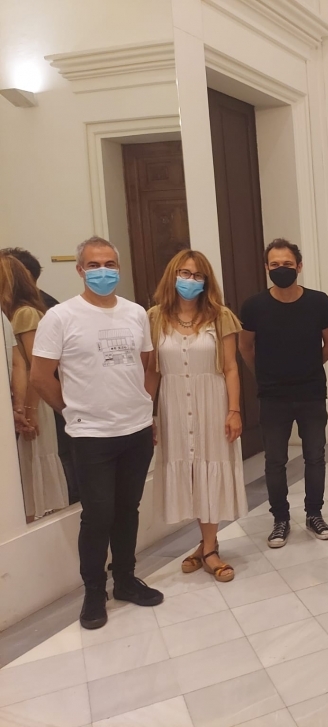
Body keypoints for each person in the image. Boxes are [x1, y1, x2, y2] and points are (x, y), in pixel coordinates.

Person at [31, 236, 163, 630]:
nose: (102, 271)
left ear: (118, 268)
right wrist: (72, 410)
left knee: (127, 509)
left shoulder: (135, 313)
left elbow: (148, 365)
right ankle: (94, 592)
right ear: (80, 270)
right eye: (94, 265)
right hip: (91, 436)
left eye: (109, 264)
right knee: (98, 515)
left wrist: (146, 404)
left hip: (136, 430)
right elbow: (40, 376)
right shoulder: (60, 317)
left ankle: (125, 579)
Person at [145, 251, 247, 582]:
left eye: (197, 275)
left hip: (213, 404)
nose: (190, 280)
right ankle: (206, 544)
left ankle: (210, 549)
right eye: (184, 273)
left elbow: (231, 368)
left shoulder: (221, 316)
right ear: (172, 276)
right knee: (190, 474)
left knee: (210, 469)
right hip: (173, 407)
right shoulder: (153, 318)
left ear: (206, 281)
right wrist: (147, 415)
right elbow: (152, 371)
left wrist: (234, 410)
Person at [239, 238, 328, 548]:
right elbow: (245, 346)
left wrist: (309, 365)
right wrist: (263, 374)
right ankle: (280, 519)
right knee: (275, 461)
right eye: (275, 265)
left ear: (299, 266)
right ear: (266, 268)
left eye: (287, 264)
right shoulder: (254, 306)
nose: (281, 269)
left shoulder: (318, 302)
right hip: (272, 397)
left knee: (315, 457)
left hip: (311, 393)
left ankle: (314, 514)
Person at [1, 246, 78, 504]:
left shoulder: (25, 313)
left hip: (36, 398)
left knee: (44, 459)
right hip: (28, 398)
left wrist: (28, 409)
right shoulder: (14, 312)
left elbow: (33, 366)